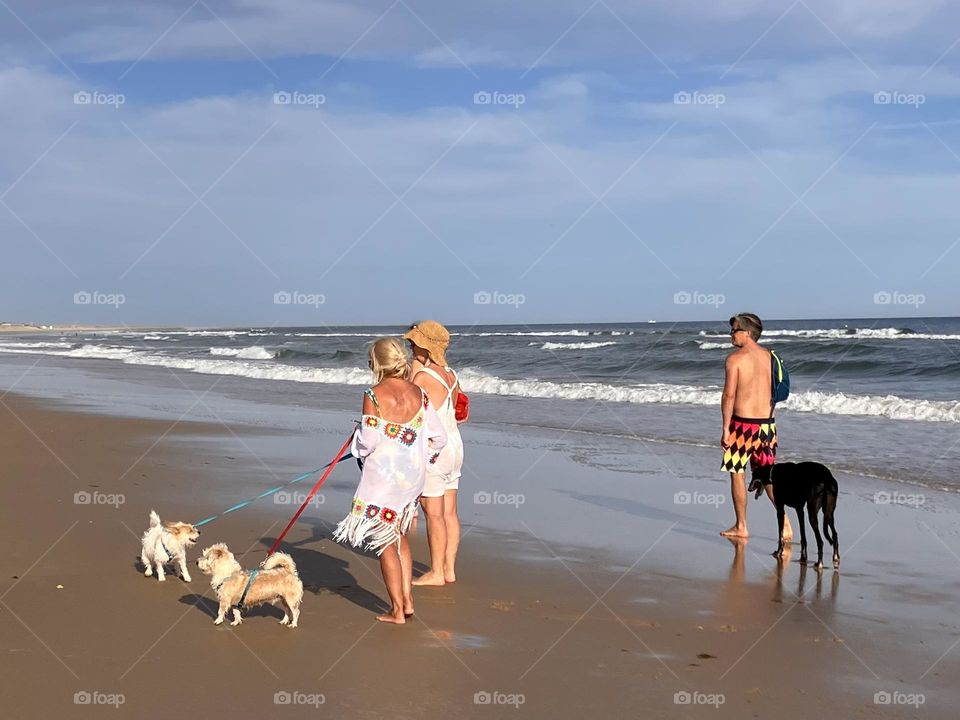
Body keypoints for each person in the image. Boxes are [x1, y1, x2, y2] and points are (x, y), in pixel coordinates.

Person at [333, 337, 447, 624]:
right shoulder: (419, 394)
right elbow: (439, 437)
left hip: (383, 479)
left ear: (377, 363)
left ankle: (397, 609)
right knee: (400, 536)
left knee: (385, 542)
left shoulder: (373, 395)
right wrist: (423, 459)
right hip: (411, 478)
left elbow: (367, 443)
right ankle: (407, 600)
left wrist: (356, 441)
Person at [719, 313, 792, 540]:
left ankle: (741, 526)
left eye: (734, 330)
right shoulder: (771, 356)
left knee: (737, 473)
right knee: (767, 475)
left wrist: (725, 429)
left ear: (747, 333)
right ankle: (785, 523)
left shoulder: (735, 359)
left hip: (743, 427)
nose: (731, 334)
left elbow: (729, 396)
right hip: (767, 427)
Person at [403, 321, 464, 586]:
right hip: (455, 446)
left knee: (433, 512)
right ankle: (449, 569)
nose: (410, 348)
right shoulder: (451, 374)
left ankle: (436, 572)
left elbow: (409, 412)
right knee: (450, 511)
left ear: (425, 346)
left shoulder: (423, 377)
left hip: (434, 449)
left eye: (414, 344)